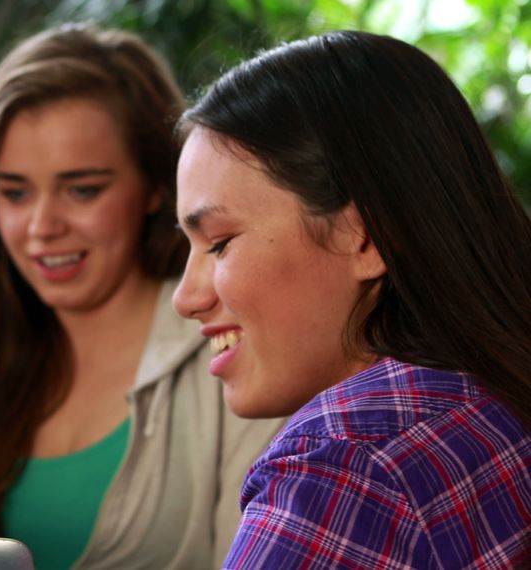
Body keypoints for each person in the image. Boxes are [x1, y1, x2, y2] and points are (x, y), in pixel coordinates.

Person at [0, 24, 285, 569]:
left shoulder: (229, 345)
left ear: (158, 187)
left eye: (82, 189)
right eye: (14, 191)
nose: (42, 226)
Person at [173, 30, 531, 569]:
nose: (186, 297)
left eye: (220, 244)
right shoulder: (487, 402)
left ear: (363, 236)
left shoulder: (343, 464)